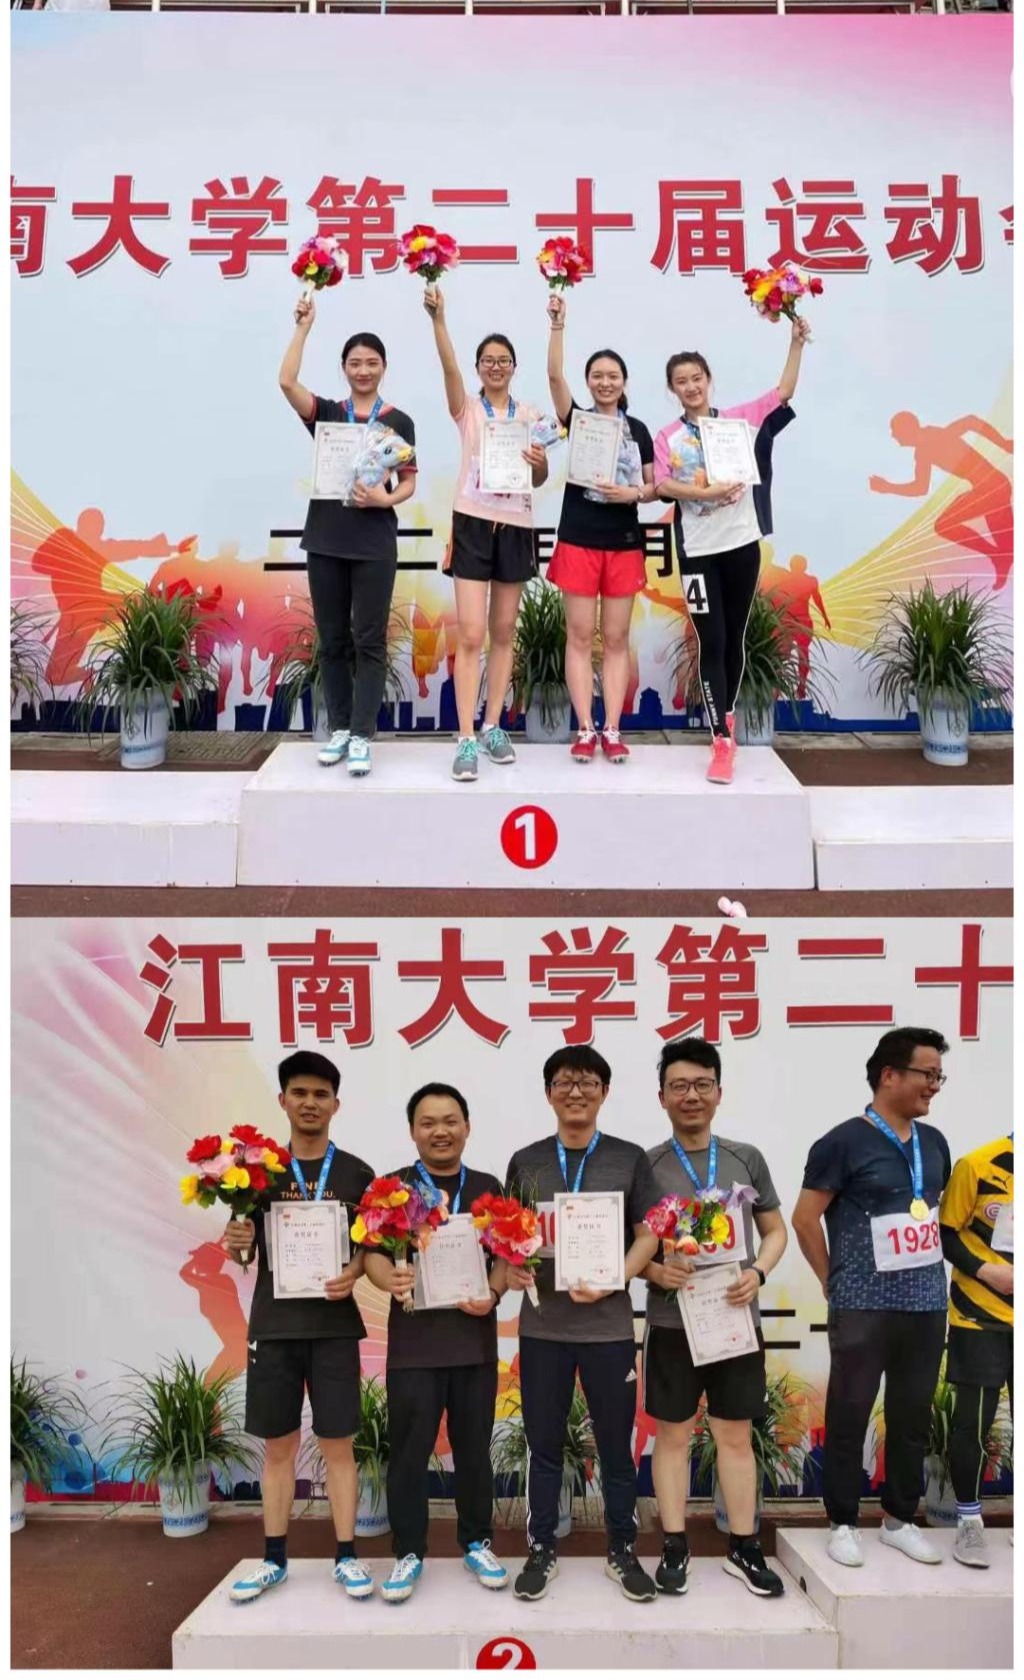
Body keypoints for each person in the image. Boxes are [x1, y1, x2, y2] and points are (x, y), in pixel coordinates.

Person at [499, 1046, 659, 1603]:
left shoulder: (629, 1158)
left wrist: (616, 1277)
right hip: (543, 1329)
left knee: (616, 1446)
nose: (576, 1091)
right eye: (564, 1082)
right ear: (549, 1093)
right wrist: (513, 1264)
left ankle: (622, 1549)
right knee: (543, 1445)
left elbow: (648, 1235)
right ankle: (542, 1548)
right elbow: (509, 1234)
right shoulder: (526, 1161)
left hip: (609, 1330)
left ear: (604, 1092)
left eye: (588, 1082)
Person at [791, 1027, 952, 1568]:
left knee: (911, 1415)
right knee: (849, 1412)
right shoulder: (842, 1142)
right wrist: (832, 1280)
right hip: (862, 1303)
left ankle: (900, 1519)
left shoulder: (934, 1143)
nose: (934, 1086)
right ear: (889, 1075)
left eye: (939, 1076)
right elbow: (805, 1219)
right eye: (927, 1074)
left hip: (926, 1303)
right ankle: (842, 1521)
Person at [224, 1052, 375, 1603]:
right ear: (283, 1100)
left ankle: (347, 1557)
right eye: (300, 1093)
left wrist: (355, 1271)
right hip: (275, 1328)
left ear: (336, 1104)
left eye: (321, 1094)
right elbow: (243, 1249)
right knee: (279, 1446)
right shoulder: (256, 1174)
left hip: (334, 1328)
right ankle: (274, 1559)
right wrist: (238, 1243)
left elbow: (371, 1248)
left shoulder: (358, 1174)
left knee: (339, 1445)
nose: (310, 1103)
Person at [642, 1037, 788, 1599]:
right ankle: (674, 1545)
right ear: (661, 1096)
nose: (691, 1095)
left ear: (719, 1093)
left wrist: (760, 1273)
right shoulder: (647, 1165)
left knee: (735, 1434)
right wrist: (655, 1270)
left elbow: (774, 1231)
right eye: (679, 1086)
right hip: (672, 1324)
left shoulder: (745, 1158)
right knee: (673, 1436)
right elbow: (630, 1247)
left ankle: (743, 1547)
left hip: (733, 1320)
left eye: (702, 1084)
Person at [363, 1083, 508, 1603]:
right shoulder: (391, 1189)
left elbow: (506, 1256)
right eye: (428, 1122)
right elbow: (372, 1253)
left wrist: (494, 1293)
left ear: (467, 1127)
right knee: (409, 1453)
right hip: (414, 1349)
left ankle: (477, 1542)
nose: (440, 1131)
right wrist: (389, 1279)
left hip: (474, 1346)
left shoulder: (488, 1187)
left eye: (450, 1121)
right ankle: (409, 1551)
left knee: (474, 1451)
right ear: (412, 1131)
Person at [653, 318, 809, 785]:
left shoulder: (738, 421)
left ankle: (727, 717)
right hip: (698, 551)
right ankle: (720, 739)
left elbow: (783, 392)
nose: (691, 387)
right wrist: (702, 494)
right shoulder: (668, 437)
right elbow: (661, 485)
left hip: (741, 545)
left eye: (696, 378)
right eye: (681, 382)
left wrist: (796, 343)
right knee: (712, 640)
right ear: (673, 390)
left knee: (735, 638)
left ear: (708, 380)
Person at [279, 298, 417, 777]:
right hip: (325, 540)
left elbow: (409, 483)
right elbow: (286, 382)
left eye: (372, 363)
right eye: (355, 363)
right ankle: (339, 728)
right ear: (344, 368)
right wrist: (303, 328)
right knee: (333, 640)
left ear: (384, 368)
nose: (363, 370)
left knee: (369, 641)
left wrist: (384, 499)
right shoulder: (327, 413)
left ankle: (362, 734)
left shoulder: (398, 421)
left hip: (374, 543)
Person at [424, 288, 549, 782]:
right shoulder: (468, 410)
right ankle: (465, 737)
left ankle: (493, 725)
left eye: (503, 361)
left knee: (503, 631)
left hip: (516, 525)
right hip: (473, 524)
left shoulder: (530, 415)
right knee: (472, 633)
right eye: (487, 361)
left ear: (514, 367)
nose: (496, 367)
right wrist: (439, 320)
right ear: (478, 368)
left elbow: (538, 478)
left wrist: (539, 464)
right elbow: (448, 369)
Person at [544, 292, 657, 764]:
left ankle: (612, 728)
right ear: (589, 382)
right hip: (579, 539)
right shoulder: (579, 421)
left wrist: (632, 495)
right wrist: (558, 325)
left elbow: (653, 487)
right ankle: (585, 729)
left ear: (624, 382)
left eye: (613, 376)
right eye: (597, 376)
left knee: (615, 638)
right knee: (578, 635)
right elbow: (555, 377)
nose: (605, 382)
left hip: (623, 543)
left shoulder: (639, 430)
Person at [938, 1132, 1013, 1568]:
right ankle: (968, 1521)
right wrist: (987, 1271)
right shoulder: (978, 1164)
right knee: (973, 1424)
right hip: (979, 1317)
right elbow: (945, 1234)